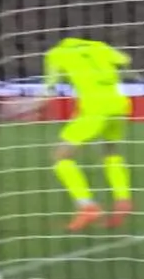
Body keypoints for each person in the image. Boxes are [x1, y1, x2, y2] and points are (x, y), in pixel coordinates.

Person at [36, 36, 134, 231]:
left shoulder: (56, 54)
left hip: (95, 108)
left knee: (60, 156)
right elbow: (125, 60)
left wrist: (39, 103)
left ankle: (87, 207)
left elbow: (50, 85)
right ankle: (123, 199)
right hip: (119, 104)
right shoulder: (99, 46)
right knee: (110, 151)